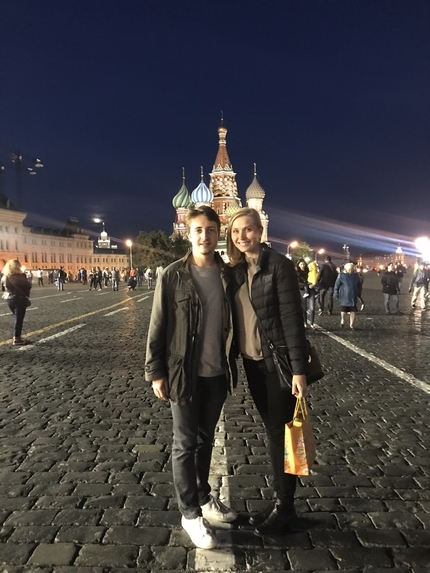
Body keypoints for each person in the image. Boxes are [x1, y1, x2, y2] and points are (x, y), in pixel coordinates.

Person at [145, 206, 238, 550]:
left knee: (205, 441)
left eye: (211, 230)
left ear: (219, 232)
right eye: (198, 230)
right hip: (183, 372)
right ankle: (189, 514)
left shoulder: (229, 274)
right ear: (188, 233)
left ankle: (203, 497)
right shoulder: (172, 275)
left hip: (216, 372)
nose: (205, 236)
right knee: (185, 444)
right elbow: (158, 325)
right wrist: (156, 371)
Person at [226, 207, 308, 537]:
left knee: (284, 432)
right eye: (235, 232)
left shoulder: (279, 266)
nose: (242, 236)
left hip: (279, 364)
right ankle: (281, 503)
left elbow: (291, 319)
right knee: (275, 431)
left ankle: (285, 508)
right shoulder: (234, 270)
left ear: (260, 231)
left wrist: (299, 372)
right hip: (253, 362)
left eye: (247, 230)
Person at [1, 259, 32, 346]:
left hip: (9, 299)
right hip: (19, 298)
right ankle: (17, 338)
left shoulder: (5, 276)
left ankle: (17, 337)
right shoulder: (20, 276)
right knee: (19, 319)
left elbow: (2, 289)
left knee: (17, 318)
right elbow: (28, 286)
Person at [333, 262, 362, 329]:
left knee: (353, 310)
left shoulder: (356, 276)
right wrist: (336, 293)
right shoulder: (342, 275)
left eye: (352, 269)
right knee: (344, 310)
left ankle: (351, 324)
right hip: (344, 295)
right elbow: (337, 285)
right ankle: (342, 320)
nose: (351, 271)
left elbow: (359, 285)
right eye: (349, 269)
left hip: (353, 295)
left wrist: (359, 292)